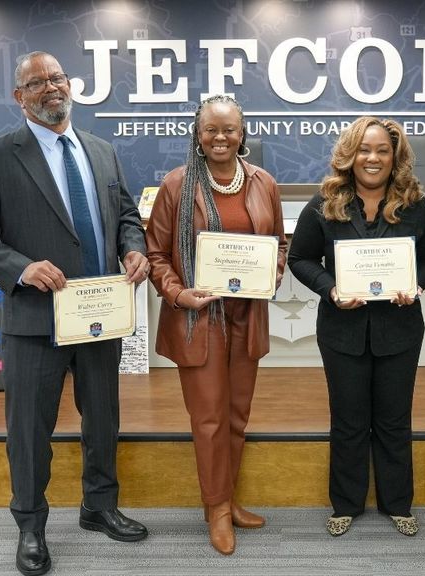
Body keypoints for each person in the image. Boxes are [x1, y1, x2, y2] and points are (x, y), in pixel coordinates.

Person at [0, 51, 149, 576]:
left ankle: (99, 507)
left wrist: (133, 248)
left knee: (103, 417)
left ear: (70, 85)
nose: (50, 88)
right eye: (36, 83)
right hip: (36, 320)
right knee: (30, 429)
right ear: (20, 97)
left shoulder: (102, 151)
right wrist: (21, 267)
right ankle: (31, 525)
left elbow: (126, 213)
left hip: (101, 315)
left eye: (56, 78)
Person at [288, 117, 425, 537]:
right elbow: (299, 259)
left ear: (395, 156)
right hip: (342, 331)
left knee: (395, 420)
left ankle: (398, 503)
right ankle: (346, 504)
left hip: (400, 329)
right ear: (349, 154)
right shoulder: (324, 202)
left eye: (382, 150)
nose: (372, 158)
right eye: (364, 149)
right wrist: (331, 289)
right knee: (348, 419)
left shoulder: (414, 203)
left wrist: (417, 283)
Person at [145, 94, 287, 555]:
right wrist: (176, 292)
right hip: (199, 318)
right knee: (208, 419)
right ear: (198, 134)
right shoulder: (176, 185)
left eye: (229, 129)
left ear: (242, 134)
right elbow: (157, 254)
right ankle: (218, 509)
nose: (221, 137)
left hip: (248, 315)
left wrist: (271, 274)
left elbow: (278, 243)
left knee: (236, 417)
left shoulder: (264, 183)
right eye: (212, 130)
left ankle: (227, 499)